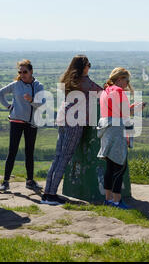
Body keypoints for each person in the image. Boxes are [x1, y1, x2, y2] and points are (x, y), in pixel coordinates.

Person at [41, 55, 103, 205]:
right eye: (89, 64)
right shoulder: (86, 82)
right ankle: (51, 195)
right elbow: (103, 93)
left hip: (63, 119)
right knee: (65, 157)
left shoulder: (68, 81)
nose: (90, 67)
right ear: (83, 67)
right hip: (75, 122)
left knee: (58, 157)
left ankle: (47, 192)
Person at [97, 67, 145, 210]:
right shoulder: (118, 91)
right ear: (119, 79)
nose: (127, 83)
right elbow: (124, 113)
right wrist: (136, 109)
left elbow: (115, 110)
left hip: (106, 128)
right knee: (119, 166)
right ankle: (117, 201)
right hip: (117, 129)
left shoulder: (106, 91)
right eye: (126, 80)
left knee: (110, 167)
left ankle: (108, 199)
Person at [0, 59, 45, 192]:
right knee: (12, 151)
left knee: (29, 152)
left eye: (25, 72)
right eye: (20, 72)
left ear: (31, 72)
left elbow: (42, 103)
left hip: (31, 123)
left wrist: (32, 100)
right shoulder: (16, 84)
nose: (22, 74)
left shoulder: (38, 86)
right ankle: (5, 181)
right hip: (16, 121)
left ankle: (30, 180)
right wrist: (8, 106)